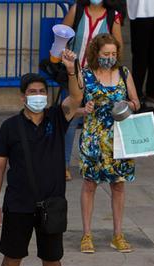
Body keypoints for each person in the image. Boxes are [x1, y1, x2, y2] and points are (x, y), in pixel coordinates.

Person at [0, 68, 83, 266]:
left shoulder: (57, 118)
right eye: (32, 92)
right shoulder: (10, 127)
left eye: (42, 92)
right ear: (23, 97)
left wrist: (71, 70)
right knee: (12, 258)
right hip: (18, 204)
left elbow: (76, 96)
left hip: (52, 205)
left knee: (52, 259)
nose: (38, 96)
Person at [73, 33, 140, 255]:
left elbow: (136, 102)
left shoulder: (123, 73)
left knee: (118, 185)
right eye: (106, 54)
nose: (110, 58)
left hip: (118, 136)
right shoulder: (86, 75)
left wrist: (126, 105)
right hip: (93, 136)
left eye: (113, 54)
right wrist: (85, 109)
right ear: (96, 54)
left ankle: (118, 234)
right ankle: (86, 234)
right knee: (90, 184)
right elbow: (73, 106)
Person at [61, 0, 124, 176]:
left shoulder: (113, 17)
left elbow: (118, 49)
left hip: (99, 80)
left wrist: (113, 74)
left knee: (98, 121)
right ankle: (63, 164)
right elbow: (62, 36)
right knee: (69, 120)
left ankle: (96, 162)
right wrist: (65, 57)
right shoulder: (77, 10)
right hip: (74, 76)